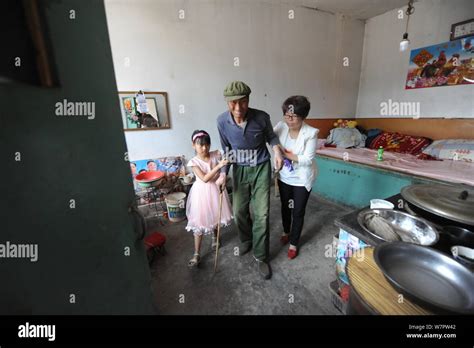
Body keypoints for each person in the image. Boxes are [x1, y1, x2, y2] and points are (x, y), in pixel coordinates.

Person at [217, 81, 283, 279]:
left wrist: (277, 151)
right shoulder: (222, 121)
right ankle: (246, 240)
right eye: (233, 103)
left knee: (262, 213)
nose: (238, 108)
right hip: (239, 169)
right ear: (227, 102)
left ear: (249, 100)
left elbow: (271, 137)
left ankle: (261, 256)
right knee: (238, 211)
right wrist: (223, 173)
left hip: (261, 167)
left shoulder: (262, 117)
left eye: (243, 102)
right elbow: (226, 149)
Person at [273, 96, 319, 259]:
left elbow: (307, 159)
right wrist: (277, 153)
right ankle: (286, 232)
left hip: (301, 179)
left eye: (293, 116)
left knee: (298, 211)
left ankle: (294, 242)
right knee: (286, 207)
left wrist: (284, 154)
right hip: (285, 176)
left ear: (303, 116)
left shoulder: (311, 133)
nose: (289, 119)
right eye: (286, 115)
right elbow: (272, 143)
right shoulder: (280, 126)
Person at [185, 130, 233, 268]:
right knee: (199, 221)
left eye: (207, 144)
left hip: (216, 189)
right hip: (201, 193)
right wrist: (219, 165)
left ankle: (215, 237)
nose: (204, 148)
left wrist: (223, 174)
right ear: (193, 145)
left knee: (216, 215)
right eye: (200, 145)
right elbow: (205, 178)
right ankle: (196, 253)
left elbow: (227, 155)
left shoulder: (215, 154)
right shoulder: (193, 162)